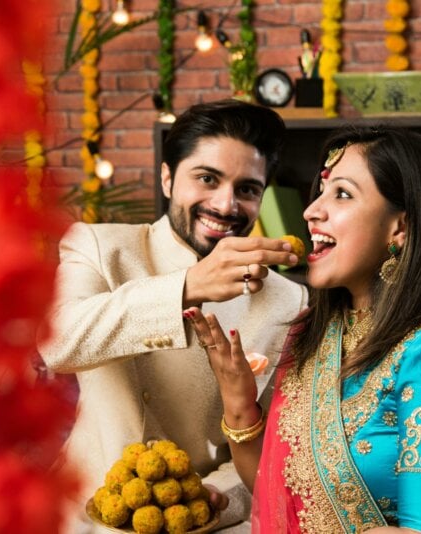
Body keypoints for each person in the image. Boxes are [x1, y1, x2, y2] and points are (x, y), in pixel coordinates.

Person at [185, 125, 421, 533]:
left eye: (342, 194)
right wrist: (238, 401)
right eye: (320, 191)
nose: (311, 211)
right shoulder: (313, 334)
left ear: (401, 228)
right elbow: (279, 497)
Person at [38, 99, 308, 531]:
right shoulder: (98, 246)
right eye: (207, 178)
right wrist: (189, 286)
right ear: (167, 179)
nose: (226, 205)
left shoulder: (286, 301)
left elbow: (269, 441)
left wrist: (220, 496)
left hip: (196, 520)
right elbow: (59, 344)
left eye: (247, 189)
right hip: (74, 514)